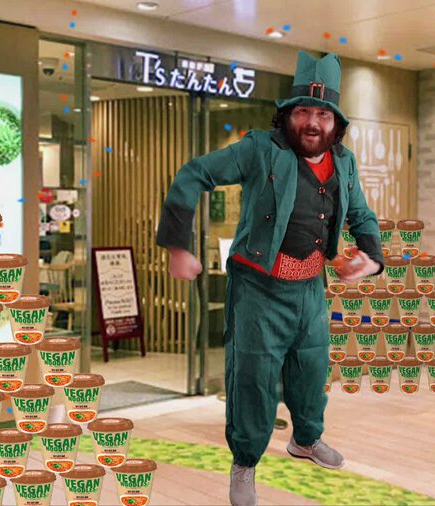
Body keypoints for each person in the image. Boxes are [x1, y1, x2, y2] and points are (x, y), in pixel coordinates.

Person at [156, 51, 384, 506]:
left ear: (336, 123)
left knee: (312, 368)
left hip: (311, 288)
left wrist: (373, 257)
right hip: (259, 286)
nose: (313, 122)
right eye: (303, 111)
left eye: (323, 114)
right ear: (287, 116)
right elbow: (194, 173)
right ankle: (245, 464)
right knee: (254, 379)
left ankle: (305, 439)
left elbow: (361, 215)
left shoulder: (345, 162)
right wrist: (179, 246)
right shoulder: (261, 149)